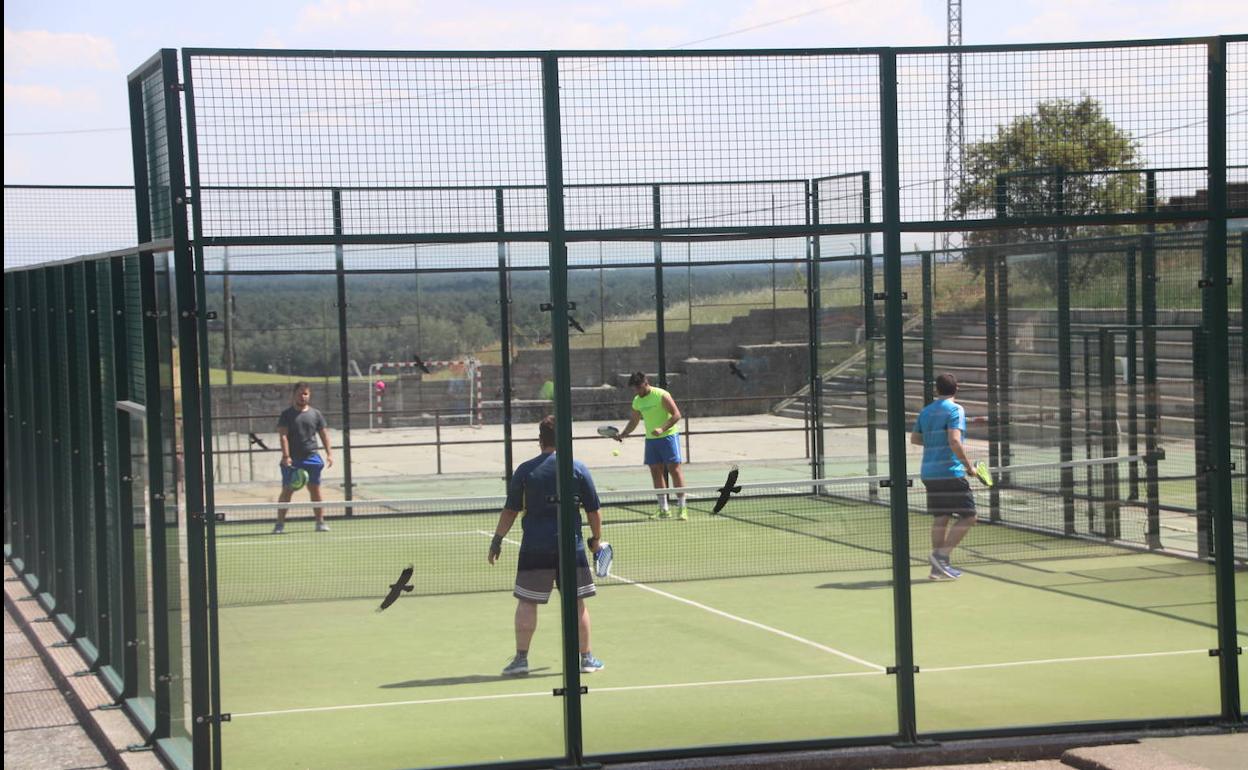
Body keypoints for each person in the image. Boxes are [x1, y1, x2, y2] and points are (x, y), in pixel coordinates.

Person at [488, 416, 605, 676]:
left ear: (540, 440)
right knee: (577, 604)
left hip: (534, 548)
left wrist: (497, 540)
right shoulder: (578, 468)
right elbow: (594, 511)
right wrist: (596, 540)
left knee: (527, 603)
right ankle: (586, 659)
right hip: (571, 547)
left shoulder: (526, 470)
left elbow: (510, 510)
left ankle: (520, 661)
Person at [911, 373, 978, 580]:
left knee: (941, 517)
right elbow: (955, 441)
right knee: (969, 516)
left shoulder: (926, 411)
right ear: (956, 388)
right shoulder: (956, 409)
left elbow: (915, 438)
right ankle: (941, 557)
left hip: (929, 472)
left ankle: (937, 569)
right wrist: (969, 467)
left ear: (936, 390)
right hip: (950, 471)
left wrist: (934, 444)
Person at [615, 372, 687, 520]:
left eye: (639, 388)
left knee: (674, 470)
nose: (637, 392)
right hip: (651, 440)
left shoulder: (661, 395)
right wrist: (623, 434)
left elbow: (676, 415)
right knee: (655, 472)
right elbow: (634, 421)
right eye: (635, 389)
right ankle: (663, 509)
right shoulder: (637, 401)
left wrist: (662, 428)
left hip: (668, 437)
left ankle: (682, 508)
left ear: (646, 383)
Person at [274, 382, 335, 534]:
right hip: (293, 460)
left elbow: (324, 434)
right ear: (294, 395)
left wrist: (329, 454)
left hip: (312, 458)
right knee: (287, 491)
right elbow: (283, 436)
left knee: (315, 490)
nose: (303, 396)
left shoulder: (316, 414)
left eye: (306, 394)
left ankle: (320, 523)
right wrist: (286, 456)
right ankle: (279, 525)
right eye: (300, 393)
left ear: (309, 395)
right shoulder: (286, 415)